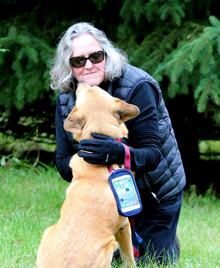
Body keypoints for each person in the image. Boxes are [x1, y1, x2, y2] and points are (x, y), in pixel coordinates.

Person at [52, 22, 186, 266]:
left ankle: (163, 238)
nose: (89, 65)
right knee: (105, 260)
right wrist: (87, 155)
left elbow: (153, 155)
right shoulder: (66, 99)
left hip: (154, 193)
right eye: (78, 61)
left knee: (154, 262)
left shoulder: (138, 86)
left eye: (95, 56)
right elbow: (62, 163)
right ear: (69, 67)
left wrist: (118, 152)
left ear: (106, 54)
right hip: (107, 200)